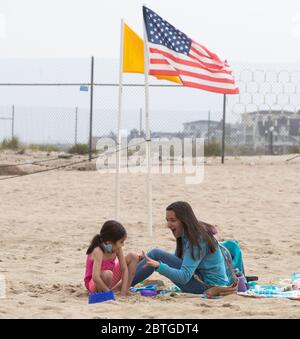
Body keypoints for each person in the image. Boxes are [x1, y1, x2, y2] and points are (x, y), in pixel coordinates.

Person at [132, 201, 237, 296]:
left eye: (173, 220)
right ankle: (122, 282)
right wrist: (154, 261)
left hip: (208, 287)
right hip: (201, 279)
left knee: (156, 254)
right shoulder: (188, 234)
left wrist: (160, 266)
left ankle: (122, 285)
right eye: (167, 220)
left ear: (184, 221)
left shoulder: (197, 239)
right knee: (155, 256)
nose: (168, 225)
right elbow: (182, 262)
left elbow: (184, 277)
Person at [84, 220, 139, 296]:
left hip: (109, 278)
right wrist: (108, 293)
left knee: (133, 256)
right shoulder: (98, 251)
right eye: (121, 242)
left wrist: (123, 292)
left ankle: (123, 290)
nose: (122, 245)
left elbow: (124, 269)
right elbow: (95, 277)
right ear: (109, 242)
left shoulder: (117, 249)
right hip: (94, 284)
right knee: (107, 274)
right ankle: (103, 293)